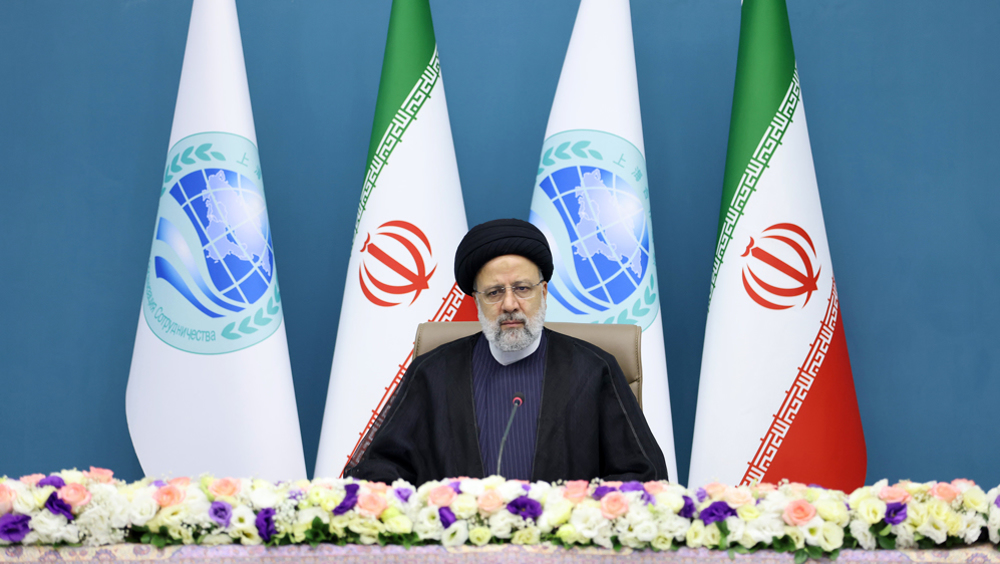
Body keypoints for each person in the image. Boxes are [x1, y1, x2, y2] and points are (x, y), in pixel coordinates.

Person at [345, 218, 668, 484]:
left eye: (523, 289)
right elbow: (380, 471)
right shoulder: (432, 372)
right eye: (494, 292)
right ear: (476, 302)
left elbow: (642, 475)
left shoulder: (593, 368)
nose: (510, 304)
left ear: (543, 292)